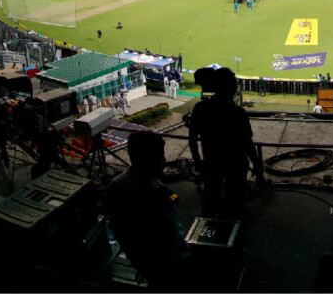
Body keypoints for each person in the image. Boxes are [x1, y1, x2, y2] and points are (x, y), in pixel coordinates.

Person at [105, 131, 192, 290]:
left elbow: (118, 229)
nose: (164, 161)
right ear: (151, 159)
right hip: (166, 270)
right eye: (160, 156)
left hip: (140, 262)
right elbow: (170, 241)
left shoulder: (116, 185)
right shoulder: (158, 195)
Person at [188, 67, 263, 218]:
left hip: (211, 163)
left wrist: (198, 162)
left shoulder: (200, 108)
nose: (236, 87)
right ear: (230, 87)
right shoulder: (237, 113)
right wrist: (257, 164)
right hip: (235, 164)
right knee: (235, 204)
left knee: (210, 199)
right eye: (234, 84)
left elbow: (192, 139)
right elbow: (247, 143)